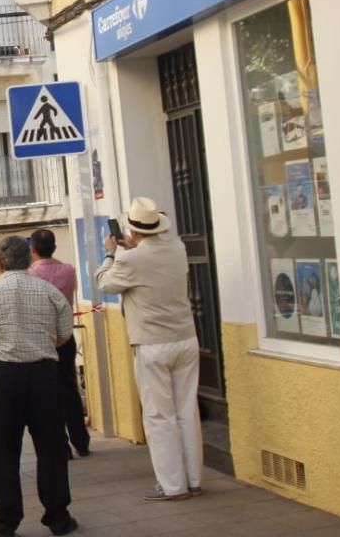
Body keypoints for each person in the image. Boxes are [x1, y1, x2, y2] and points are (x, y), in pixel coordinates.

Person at [0, 235, 78, 537]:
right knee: (51, 449)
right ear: (29, 259)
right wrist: (41, 344)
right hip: (44, 377)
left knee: (4, 453)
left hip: (3, 381)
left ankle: (6, 523)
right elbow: (65, 334)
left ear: (0, 262)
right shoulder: (49, 291)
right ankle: (58, 518)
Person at [98, 196, 203, 502]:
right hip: (185, 337)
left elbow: (105, 283)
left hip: (152, 344)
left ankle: (172, 486)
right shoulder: (178, 248)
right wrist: (132, 251)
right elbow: (151, 264)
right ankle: (194, 479)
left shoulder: (129, 259)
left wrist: (111, 254)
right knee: (186, 411)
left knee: (159, 416)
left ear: (132, 230)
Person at [29, 228, 91, 459]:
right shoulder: (68, 270)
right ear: (54, 247)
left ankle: (61, 446)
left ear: (33, 249)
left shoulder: (31, 275)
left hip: (41, 340)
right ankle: (81, 440)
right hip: (66, 337)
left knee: (47, 395)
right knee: (69, 389)